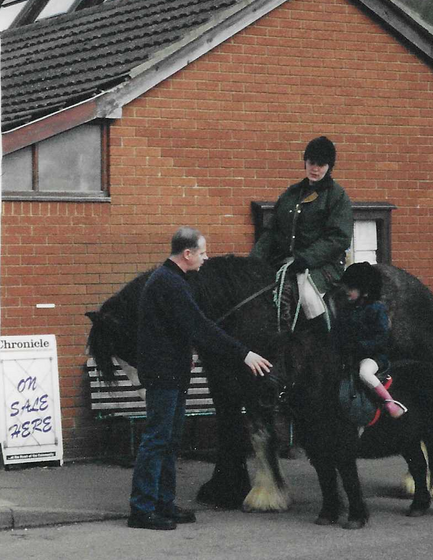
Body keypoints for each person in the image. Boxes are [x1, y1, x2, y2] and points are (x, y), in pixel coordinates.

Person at [129, 227, 274, 531]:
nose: (206, 258)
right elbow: (200, 328)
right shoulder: (170, 284)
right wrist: (243, 354)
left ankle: (163, 503)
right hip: (163, 375)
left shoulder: (172, 280)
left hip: (171, 374)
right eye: (203, 252)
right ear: (188, 254)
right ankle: (142, 509)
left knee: (168, 442)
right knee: (157, 441)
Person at [250, 136, 353, 330]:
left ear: (329, 166)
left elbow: (338, 238)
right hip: (287, 263)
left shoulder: (337, 196)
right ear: (305, 162)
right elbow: (272, 231)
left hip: (323, 265)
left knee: (305, 293)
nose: (314, 169)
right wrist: (253, 261)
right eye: (311, 163)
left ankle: (325, 338)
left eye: (320, 164)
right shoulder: (291, 194)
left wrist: (306, 259)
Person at [333, 262, 406, 418]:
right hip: (350, 357)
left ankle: (389, 402)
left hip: (372, 357)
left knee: (364, 373)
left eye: (350, 288)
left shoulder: (376, 310)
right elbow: (338, 332)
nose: (346, 291)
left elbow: (381, 337)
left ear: (365, 291)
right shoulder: (346, 310)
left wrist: (359, 346)